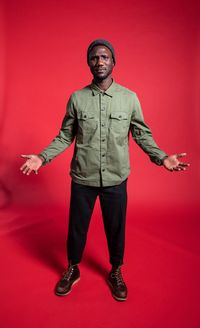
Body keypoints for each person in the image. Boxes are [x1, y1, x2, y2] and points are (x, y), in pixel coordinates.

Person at [20, 39, 189, 302]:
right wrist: (42, 157)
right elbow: (65, 136)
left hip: (116, 178)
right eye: (94, 58)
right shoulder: (77, 98)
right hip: (82, 177)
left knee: (116, 228)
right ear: (88, 63)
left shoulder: (129, 98)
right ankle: (73, 268)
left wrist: (162, 157)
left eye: (105, 57)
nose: (99, 62)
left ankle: (116, 271)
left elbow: (142, 135)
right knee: (77, 228)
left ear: (113, 62)